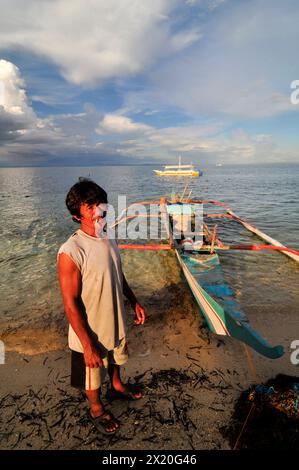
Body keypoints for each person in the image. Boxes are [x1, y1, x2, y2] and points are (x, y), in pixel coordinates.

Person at [57, 178, 145, 435]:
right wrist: (87, 345)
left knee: (117, 358)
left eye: (102, 202)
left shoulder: (108, 236)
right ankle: (96, 408)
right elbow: (70, 304)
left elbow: (117, 272)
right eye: (91, 205)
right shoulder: (71, 251)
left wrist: (133, 300)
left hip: (114, 319)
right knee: (92, 376)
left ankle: (116, 387)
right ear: (76, 215)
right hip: (90, 330)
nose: (100, 209)